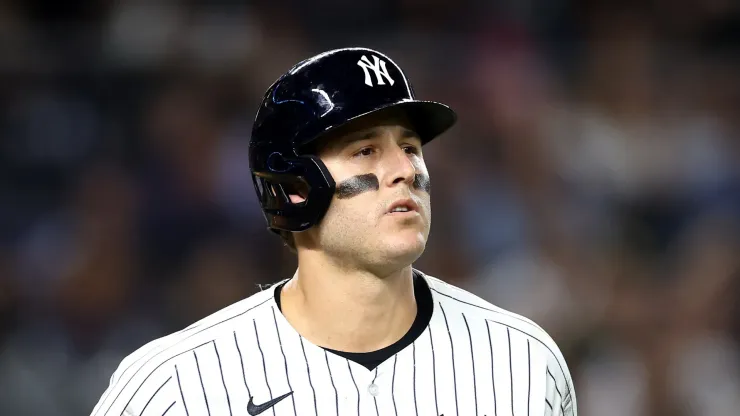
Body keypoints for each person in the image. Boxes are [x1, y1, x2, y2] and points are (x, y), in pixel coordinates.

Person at [89, 47, 577, 416]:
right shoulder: (176, 385)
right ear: (294, 188)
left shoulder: (522, 361)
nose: (403, 169)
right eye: (365, 150)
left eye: (409, 146)